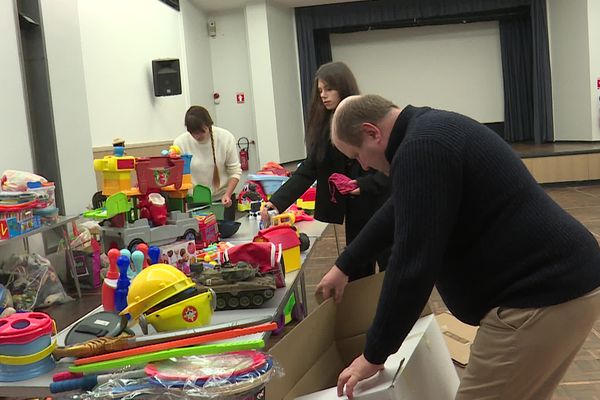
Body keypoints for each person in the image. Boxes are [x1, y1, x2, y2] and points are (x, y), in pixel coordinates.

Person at [317, 94, 600, 400]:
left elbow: (412, 266)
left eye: (357, 155)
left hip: (538, 298)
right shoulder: (429, 131)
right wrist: (346, 264)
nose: (364, 166)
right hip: (561, 286)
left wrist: (373, 355)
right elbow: (399, 209)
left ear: (373, 132)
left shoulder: (420, 148)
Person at [260, 62, 390, 281]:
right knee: (358, 268)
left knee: (389, 266)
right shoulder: (325, 125)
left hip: (381, 203)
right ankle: (363, 313)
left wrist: (363, 186)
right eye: (320, 90)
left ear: (343, 87)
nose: (323, 95)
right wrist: (277, 201)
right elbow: (308, 169)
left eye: (329, 89)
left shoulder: (367, 117)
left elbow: (389, 168)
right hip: (355, 209)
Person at [174, 106, 241, 220]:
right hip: (195, 203)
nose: (197, 136)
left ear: (208, 125)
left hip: (222, 201)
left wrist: (228, 194)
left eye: (201, 132)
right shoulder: (180, 143)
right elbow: (178, 176)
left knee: (225, 235)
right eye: (193, 133)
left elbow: (235, 171)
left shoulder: (225, 138)